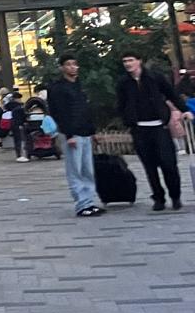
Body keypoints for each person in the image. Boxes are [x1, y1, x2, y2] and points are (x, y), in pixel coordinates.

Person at [116, 51, 189, 212]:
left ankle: (175, 196)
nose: (128, 64)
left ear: (139, 61)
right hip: (140, 128)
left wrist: (185, 110)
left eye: (131, 60)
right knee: (149, 167)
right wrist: (127, 120)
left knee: (168, 163)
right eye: (125, 61)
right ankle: (158, 197)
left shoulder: (155, 78)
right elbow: (121, 104)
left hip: (159, 127)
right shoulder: (123, 83)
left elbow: (172, 95)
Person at [45, 54, 104, 218]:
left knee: (87, 170)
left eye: (74, 64)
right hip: (72, 134)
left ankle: (89, 202)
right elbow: (59, 113)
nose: (72, 67)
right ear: (62, 68)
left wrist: (93, 132)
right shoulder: (58, 88)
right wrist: (68, 134)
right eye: (68, 64)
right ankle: (81, 204)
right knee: (75, 170)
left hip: (85, 132)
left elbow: (86, 110)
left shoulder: (79, 86)